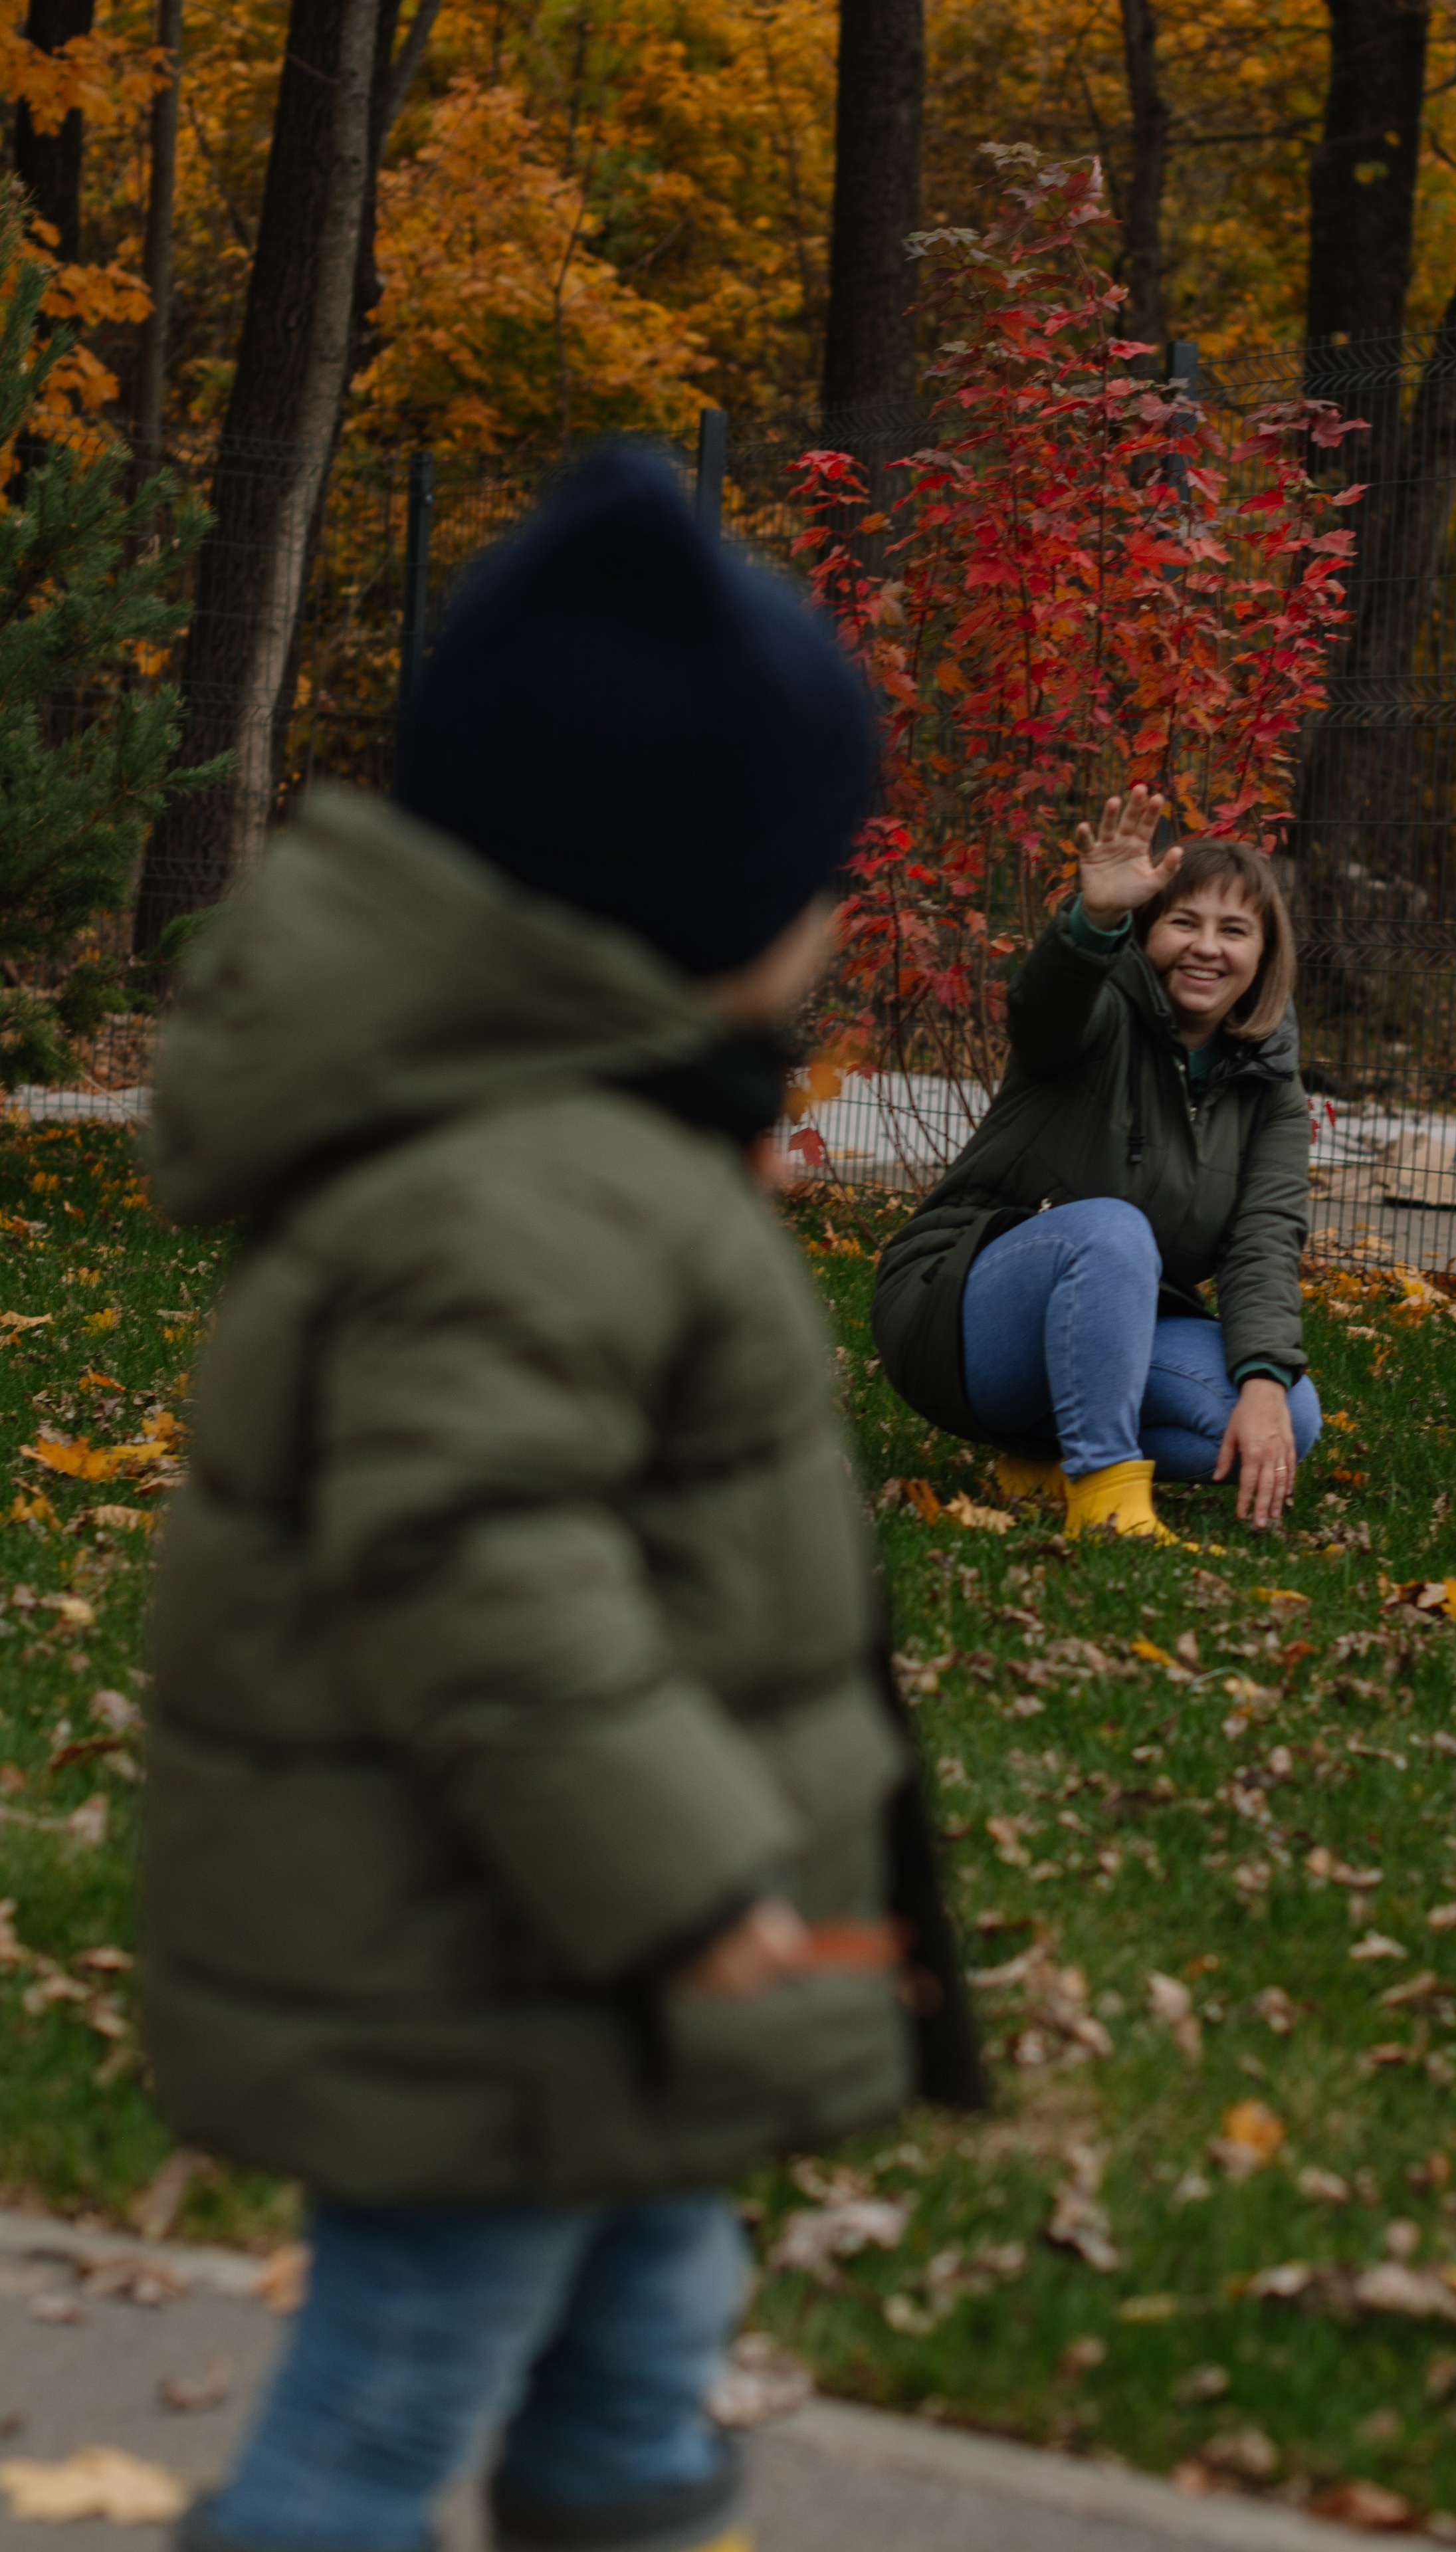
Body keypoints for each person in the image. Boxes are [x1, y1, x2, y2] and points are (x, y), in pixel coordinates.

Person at [141, 448, 978, 2552]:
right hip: (501, 1958)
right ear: (682, 911)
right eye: (821, 868)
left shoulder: (583, 1135)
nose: (842, 907)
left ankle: (617, 2501)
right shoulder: (526, 1185)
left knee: (650, 2315)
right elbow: (470, 1568)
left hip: (576, 1966)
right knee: (389, 2397)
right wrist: (691, 1883)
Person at [872, 786, 1321, 1542]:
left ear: (1263, 955)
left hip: (1104, 1329)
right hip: (954, 1315)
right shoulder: (1100, 1010)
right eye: (1183, 922)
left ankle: (1042, 1466)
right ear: (1148, 935)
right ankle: (1104, 1492)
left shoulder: (1269, 1085)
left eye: (1233, 930)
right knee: (1112, 1231)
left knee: (1288, 1418)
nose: (1207, 947)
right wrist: (1097, 920)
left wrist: (1266, 1379)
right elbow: (1042, 1010)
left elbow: (1264, 1240)